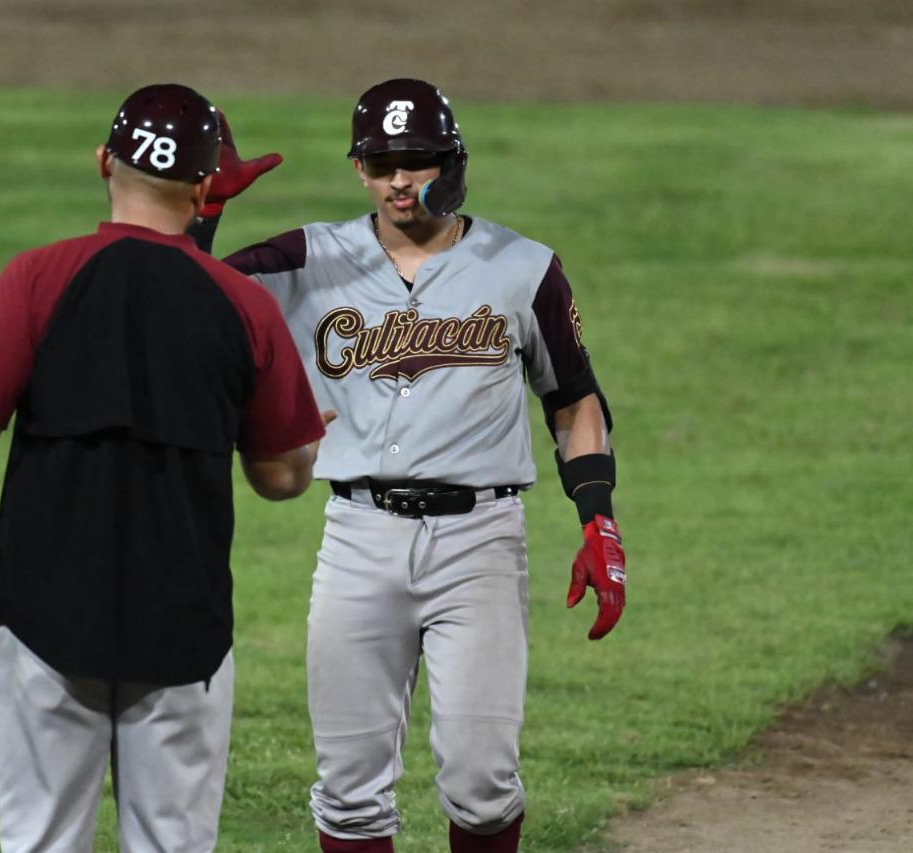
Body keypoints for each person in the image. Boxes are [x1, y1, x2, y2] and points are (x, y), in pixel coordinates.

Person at [194, 79, 627, 852]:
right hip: (357, 537)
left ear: (451, 163)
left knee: (481, 782)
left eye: (418, 160)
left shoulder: (524, 267)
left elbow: (573, 400)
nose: (399, 179)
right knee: (350, 790)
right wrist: (205, 217)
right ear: (359, 168)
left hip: (481, 541)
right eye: (381, 162)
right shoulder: (306, 258)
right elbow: (182, 301)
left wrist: (598, 517)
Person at [0, 83, 327, 852]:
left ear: (103, 162)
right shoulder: (243, 304)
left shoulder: (39, 278)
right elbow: (281, 476)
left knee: (40, 840)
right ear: (204, 189)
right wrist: (300, 445)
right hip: (184, 626)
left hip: (46, 616)